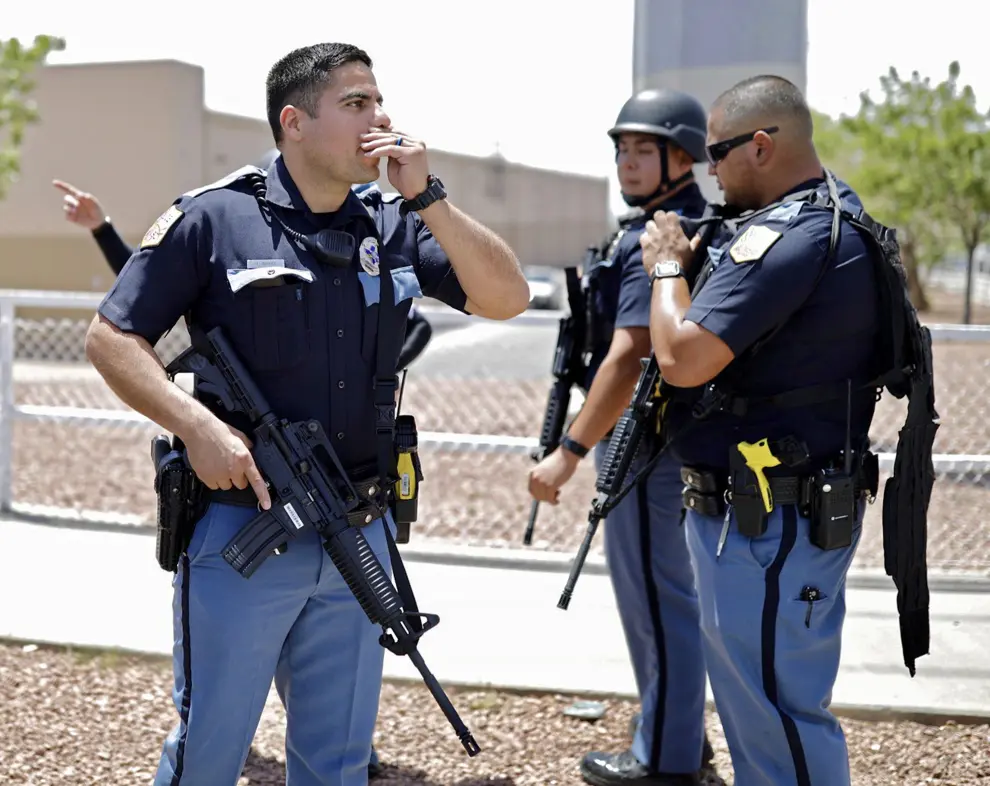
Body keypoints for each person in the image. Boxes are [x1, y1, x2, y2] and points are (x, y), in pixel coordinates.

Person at [83, 42, 529, 786]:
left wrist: (430, 198)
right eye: (357, 103)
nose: (380, 119)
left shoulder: (395, 220)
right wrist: (196, 427)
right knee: (211, 750)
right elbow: (111, 336)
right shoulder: (215, 218)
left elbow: (507, 299)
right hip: (243, 528)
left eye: (380, 101)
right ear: (294, 121)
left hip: (360, 527)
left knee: (338, 762)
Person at [639, 75, 882, 786]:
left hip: (771, 521)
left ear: (763, 145)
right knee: (759, 706)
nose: (710, 168)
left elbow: (681, 358)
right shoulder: (834, 216)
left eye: (717, 151)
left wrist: (665, 267)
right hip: (770, 512)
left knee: (777, 715)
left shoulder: (790, 234)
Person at [528, 88, 716, 786]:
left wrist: (568, 452)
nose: (627, 162)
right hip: (667, 442)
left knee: (656, 598)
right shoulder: (677, 221)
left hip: (647, 444)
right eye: (621, 149)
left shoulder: (663, 232)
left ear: (681, 155)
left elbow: (630, 354)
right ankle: (678, 736)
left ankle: (665, 760)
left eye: (644, 149)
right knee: (667, 597)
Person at [54, 172, 436, 374]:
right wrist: (101, 228)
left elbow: (420, 326)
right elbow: (142, 289)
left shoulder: (364, 242)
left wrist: (376, 371)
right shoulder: (229, 231)